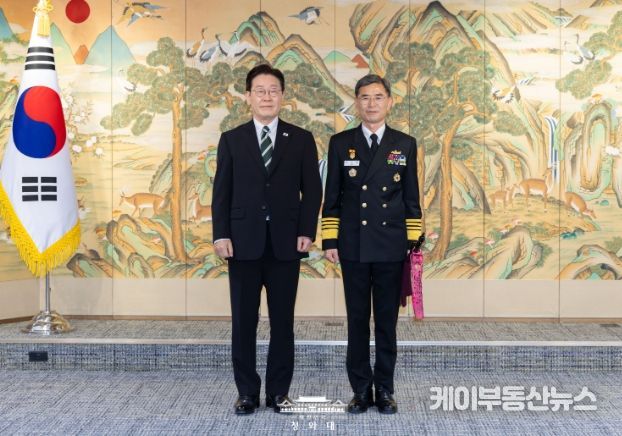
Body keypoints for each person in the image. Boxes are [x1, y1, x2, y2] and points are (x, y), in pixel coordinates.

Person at [211, 64, 323, 415]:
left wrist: (307, 230)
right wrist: (221, 234)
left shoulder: (301, 139)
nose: (267, 97)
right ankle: (246, 392)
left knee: (283, 323)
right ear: (248, 96)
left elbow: (312, 191)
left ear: (283, 96)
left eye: (273, 90)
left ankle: (278, 392)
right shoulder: (232, 139)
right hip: (242, 244)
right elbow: (221, 193)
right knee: (243, 322)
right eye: (260, 91)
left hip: (286, 244)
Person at [322, 74, 422, 414]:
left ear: (389, 102)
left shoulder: (404, 143)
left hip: (391, 245)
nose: (371, 103)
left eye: (378, 97)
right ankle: (361, 391)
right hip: (353, 245)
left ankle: (386, 390)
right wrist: (330, 238)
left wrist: (413, 241)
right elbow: (332, 197)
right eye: (365, 97)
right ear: (356, 103)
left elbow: (411, 198)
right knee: (357, 320)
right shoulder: (341, 143)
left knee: (386, 323)